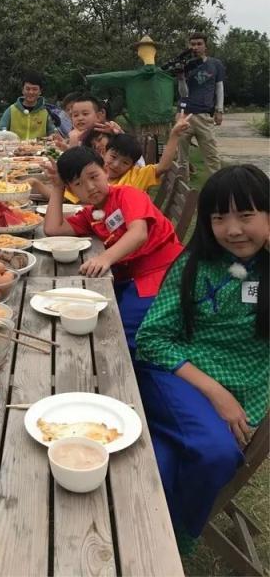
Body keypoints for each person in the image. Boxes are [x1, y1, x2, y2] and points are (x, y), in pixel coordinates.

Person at [135, 165, 269, 547]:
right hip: (175, 373)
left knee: (157, 463)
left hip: (244, 386)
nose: (232, 229)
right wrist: (216, 394)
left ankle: (152, 538)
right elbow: (152, 339)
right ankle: (170, 542)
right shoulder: (195, 265)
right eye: (218, 218)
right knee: (213, 452)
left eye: (246, 215)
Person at [44, 147, 183, 351]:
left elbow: (138, 233)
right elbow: (53, 229)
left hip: (164, 275)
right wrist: (57, 188)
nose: (90, 187)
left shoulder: (128, 194)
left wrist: (105, 258)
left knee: (118, 332)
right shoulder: (92, 213)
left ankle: (137, 375)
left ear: (105, 171)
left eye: (94, 176)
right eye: (78, 184)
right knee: (80, 310)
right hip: (129, 278)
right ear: (71, 191)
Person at [176, 32, 225, 177]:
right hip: (184, 114)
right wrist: (181, 78)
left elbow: (219, 87)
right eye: (192, 44)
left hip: (204, 115)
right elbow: (183, 93)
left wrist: (219, 110)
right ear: (188, 46)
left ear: (205, 46)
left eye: (199, 44)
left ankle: (216, 192)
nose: (196, 47)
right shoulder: (184, 66)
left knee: (212, 157)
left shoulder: (215, 64)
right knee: (181, 158)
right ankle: (181, 191)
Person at [103, 115, 192, 191]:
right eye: (113, 157)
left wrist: (175, 134)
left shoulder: (136, 176)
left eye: (125, 162)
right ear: (104, 152)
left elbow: (163, 167)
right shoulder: (92, 171)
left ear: (132, 166)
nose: (115, 165)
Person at [0, 71, 56, 138]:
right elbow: (0, 133)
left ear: (40, 91)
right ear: (22, 90)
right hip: (15, 147)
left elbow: (53, 133)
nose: (31, 92)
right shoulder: (11, 110)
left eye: (35, 89)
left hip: (39, 148)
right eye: (28, 89)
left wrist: (52, 136)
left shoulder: (45, 112)